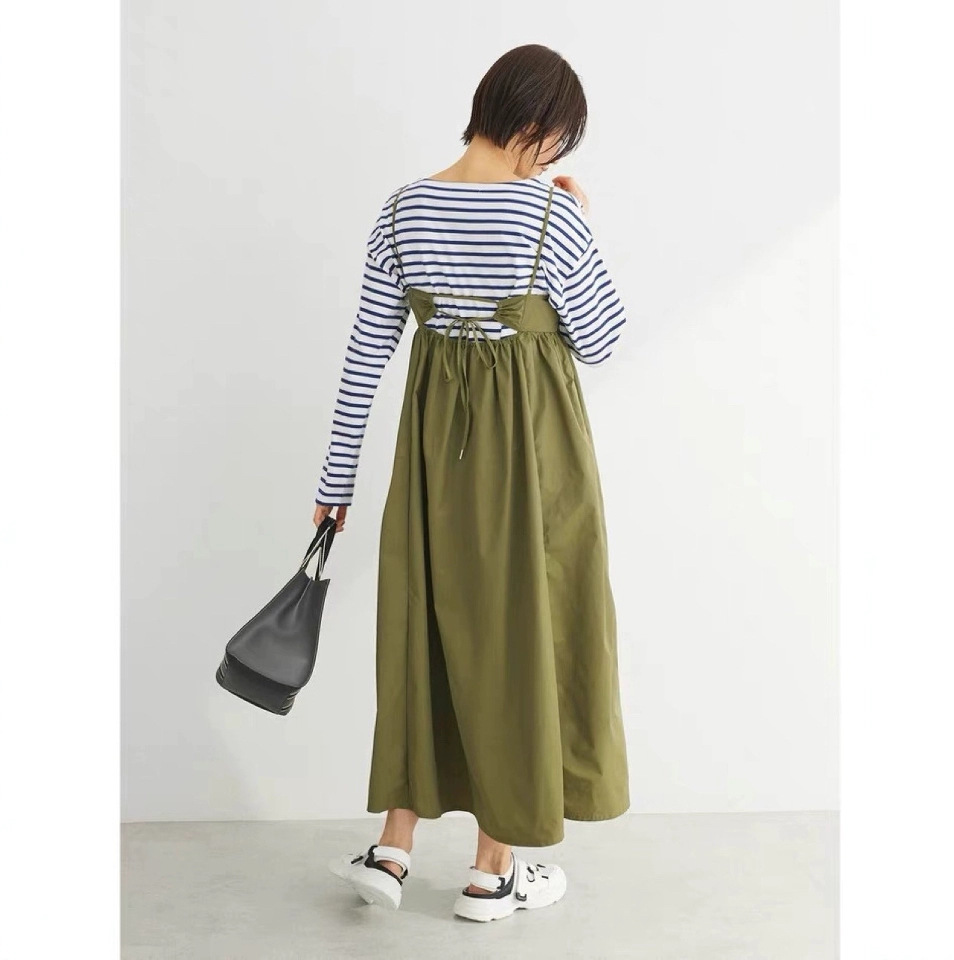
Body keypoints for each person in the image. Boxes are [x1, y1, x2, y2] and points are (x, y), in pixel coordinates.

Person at [317, 43, 630, 923]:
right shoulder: (552, 215)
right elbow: (603, 339)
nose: (556, 155)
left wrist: (336, 482)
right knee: (522, 635)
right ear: (536, 124)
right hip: (533, 464)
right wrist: (584, 222)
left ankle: (393, 848)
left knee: (423, 630)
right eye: (559, 137)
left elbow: (365, 354)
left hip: (432, 465)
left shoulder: (403, 209)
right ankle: (494, 872)